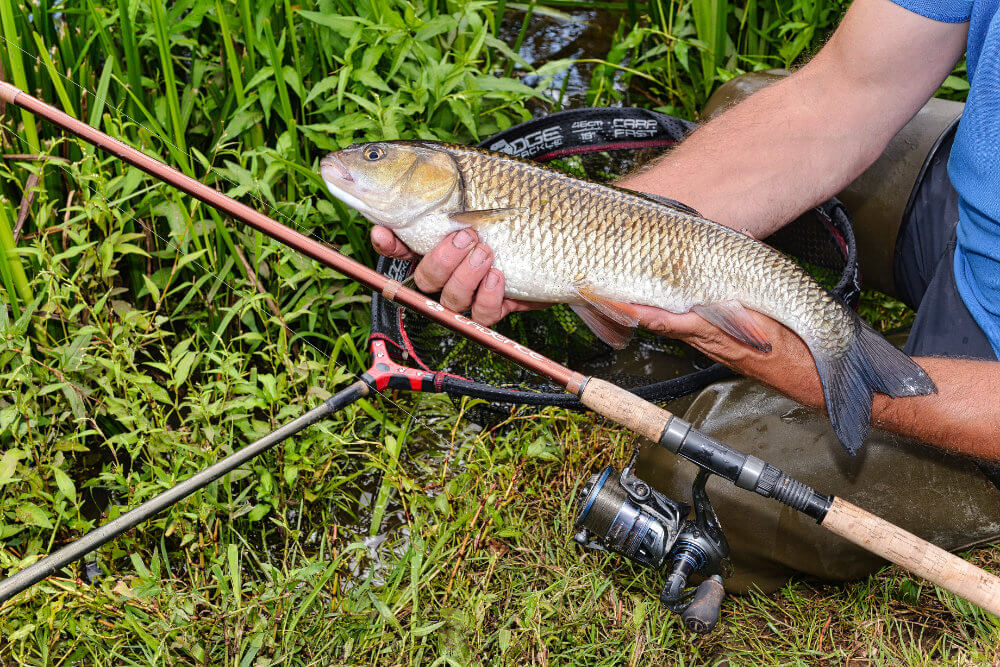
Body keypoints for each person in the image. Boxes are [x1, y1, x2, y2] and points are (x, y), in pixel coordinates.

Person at [371, 0, 1000, 590]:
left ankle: (892, 396)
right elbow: (847, 91)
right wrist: (579, 241)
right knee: (743, 103)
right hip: (976, 203)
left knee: (694, 479)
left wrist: (792, 363)